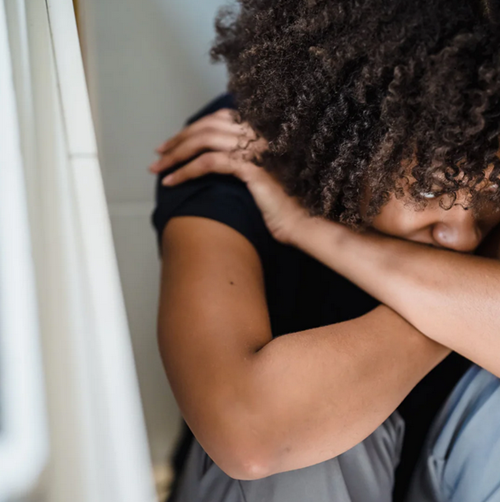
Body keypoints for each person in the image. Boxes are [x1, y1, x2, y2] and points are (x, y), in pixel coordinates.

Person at [149, 1, 500, 501]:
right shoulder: (231, 157)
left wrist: (320, 233)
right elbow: (252, 437)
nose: (463, 235)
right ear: (355, 145)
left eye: (492, 193)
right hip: (291, 480)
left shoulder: (488, 136)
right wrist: (460, 307)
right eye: (427, 193)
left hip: (444, 471)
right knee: (308, 429)